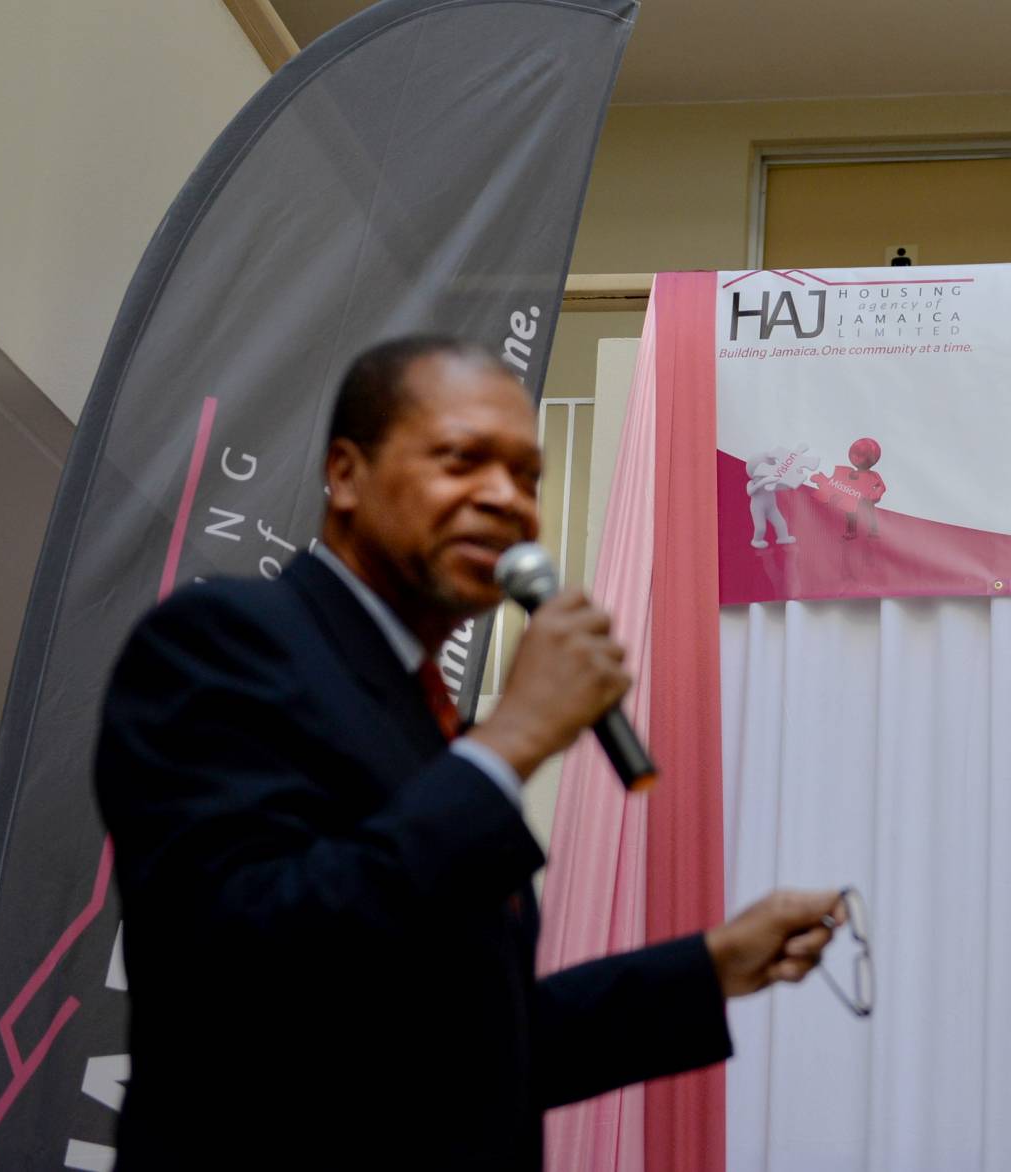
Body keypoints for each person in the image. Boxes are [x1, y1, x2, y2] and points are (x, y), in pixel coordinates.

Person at [95, 337, 842, 1170]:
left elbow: (475, 1046)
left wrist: (710, 968)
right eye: (461, 460)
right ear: (345, 475)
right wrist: (513, 741)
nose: (504, 498)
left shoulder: (429, 723)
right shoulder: (223, 643)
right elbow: (251, 966)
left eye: (526, 477)